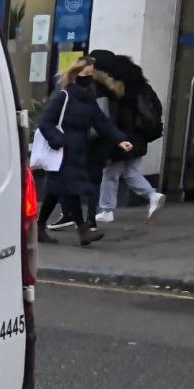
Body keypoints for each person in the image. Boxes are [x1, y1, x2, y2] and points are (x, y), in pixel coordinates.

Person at [37, 58, 133, 246]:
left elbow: (102, 122)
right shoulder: (63, 96)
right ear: (75, 74)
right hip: (62, 153)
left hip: (78, 152)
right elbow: (45, 122)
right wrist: (58, 140)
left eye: (91, 74)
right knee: (70, 188)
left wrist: (120, 139)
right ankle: (83, 230)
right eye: (85, 74)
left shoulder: (88, 100)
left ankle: (40, 227)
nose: (89, 78)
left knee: (56, 191)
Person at [88, 50, 166, 224]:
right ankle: (152, 196)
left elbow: (112, 118)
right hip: (140, 135)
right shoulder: (138, 84)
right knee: (131, 172)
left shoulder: (112, 89)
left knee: (111, 173)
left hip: (123, 138)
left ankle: (107, 210)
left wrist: (109, 144)